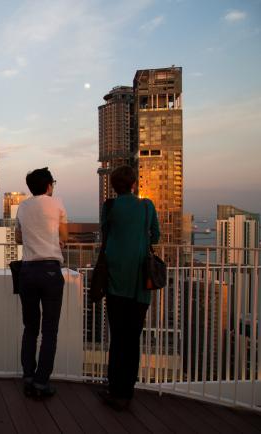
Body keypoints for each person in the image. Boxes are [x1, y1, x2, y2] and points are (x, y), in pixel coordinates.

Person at [99, 165, 160, 411]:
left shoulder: (110, 207)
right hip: (140, 284)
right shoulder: (147, 206)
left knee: (118, 337)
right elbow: (155, 236)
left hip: (115, 280)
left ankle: (115, 391)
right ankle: (127, 391)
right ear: (134, 184)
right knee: (132, 339)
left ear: (113, 186)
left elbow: (106, 234)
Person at [15, 167, 68, 398]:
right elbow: (64, 237)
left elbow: (18, 237)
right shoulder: (56, 203)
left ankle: (28, 375)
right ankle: (41, 382)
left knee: (30, 328)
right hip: (49, 271)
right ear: (48, 185)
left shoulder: (23, 207)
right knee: (49, 331)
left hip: (27, 271)